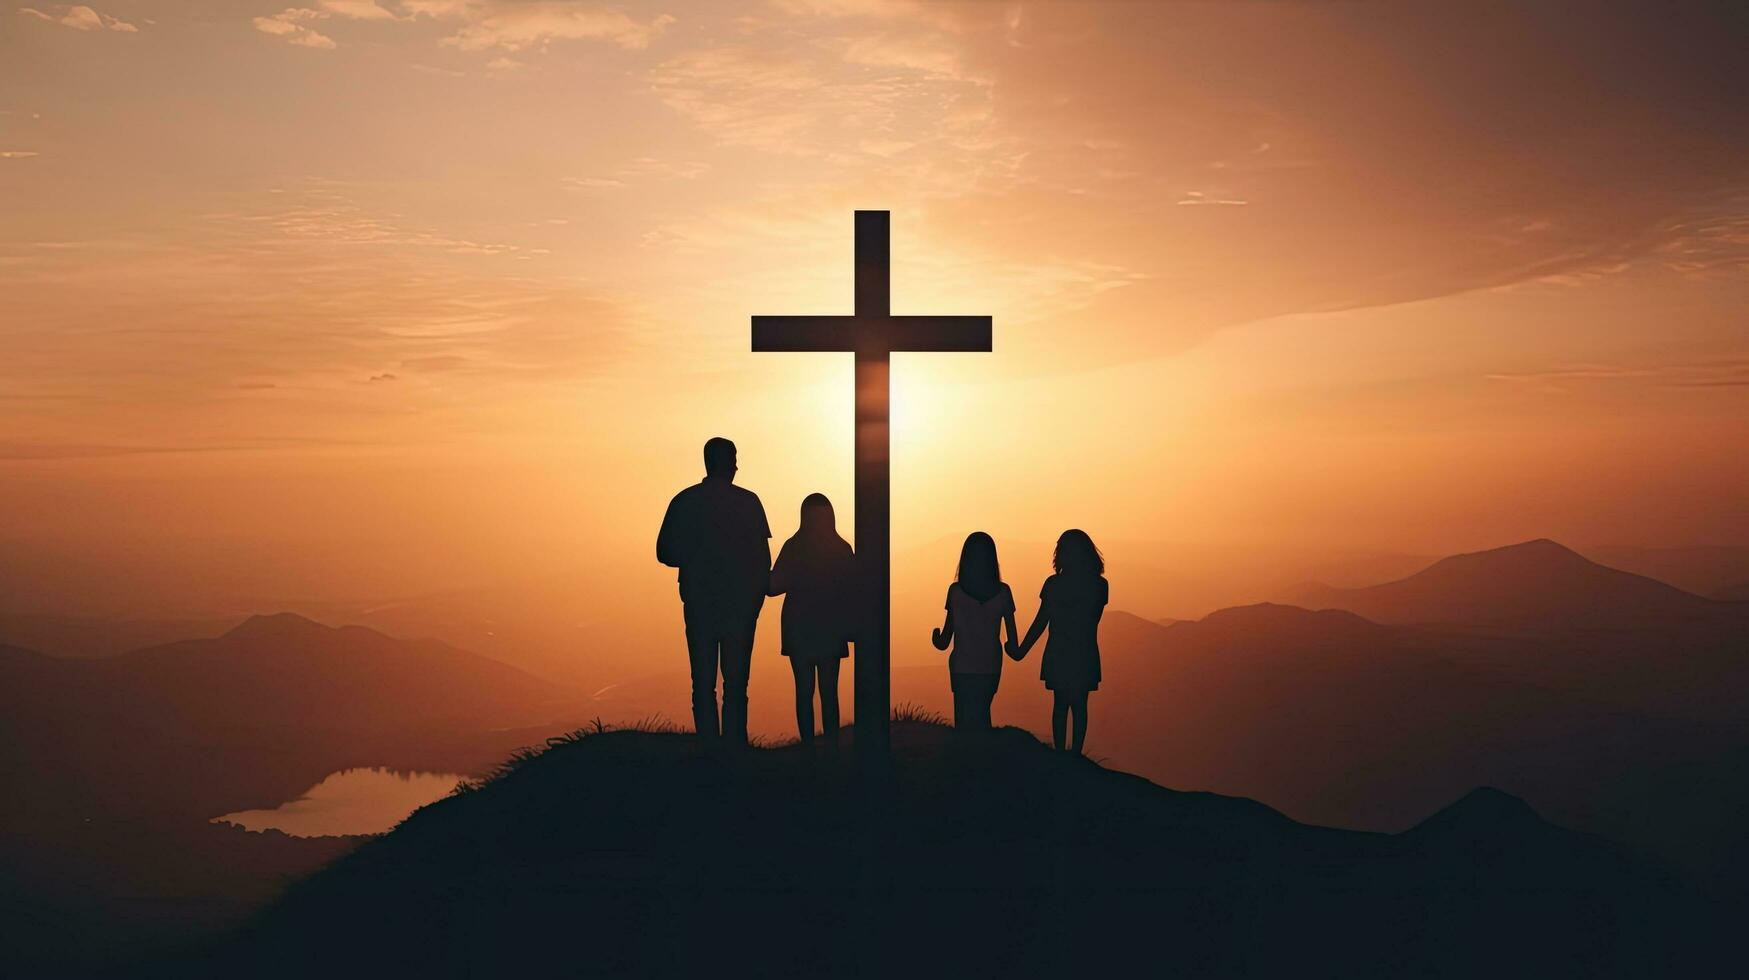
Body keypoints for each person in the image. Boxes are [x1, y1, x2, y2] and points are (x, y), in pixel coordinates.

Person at [656, 437, 772, 745]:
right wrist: (755, 599)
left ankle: (708, 746)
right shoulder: (748, 503)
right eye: (734, 459)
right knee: (736, 683)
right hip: (739, 606)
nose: (736, 465)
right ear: (725, 462)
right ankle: (734, 747)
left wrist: (696, 557)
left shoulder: (685, 501)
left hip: (700, 601)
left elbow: (664, 552)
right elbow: (763, 559)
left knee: (703, 682)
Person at [768, 493, 857, 744]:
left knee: (804, 691)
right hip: (831, 628)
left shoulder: (793, 547)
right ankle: (831, 746)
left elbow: (773, 586)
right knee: (829, 691)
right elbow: (854, 589)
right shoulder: (841, 549)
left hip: (799, 628)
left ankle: (809, 746)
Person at [1016, 530, 1107, 754]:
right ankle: (1075, 753)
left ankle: (1060, 754)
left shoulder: (1053, 585)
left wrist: (1021, 650)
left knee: (1060, 703)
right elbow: (1093, 619)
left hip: (1059, 650)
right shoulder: (1099, 585)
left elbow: (1041, 621)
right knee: (1079, 705)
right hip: (1084, 651)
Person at [930, 532, 1020, 731]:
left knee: (963, 720)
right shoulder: (1004, 593)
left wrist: (935, 637)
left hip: (962, 665)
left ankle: (965, 759)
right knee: (982, 715)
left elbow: (944, 640)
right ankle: (984, 757)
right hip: (990, 665)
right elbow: (1013, 642)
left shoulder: (955, 592)